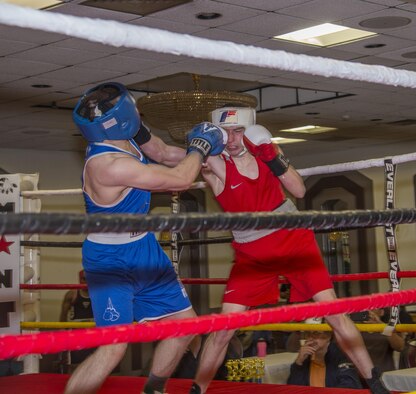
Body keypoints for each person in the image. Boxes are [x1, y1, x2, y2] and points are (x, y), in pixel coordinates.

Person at [191, 106, 388, 394]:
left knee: (333, 312)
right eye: (226, 133)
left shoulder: (265, 150)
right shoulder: (215, 164)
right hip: (252, 253)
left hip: (292, 239)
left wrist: (272, 156)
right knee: (224, 327)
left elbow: (299, 191)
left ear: (250, 132)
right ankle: (197, 390)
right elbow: (176, 161)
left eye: (238, 131)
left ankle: (374, 381)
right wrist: (194, 144)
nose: (232, 139)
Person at [66, 81, 228, 394]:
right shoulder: (107, 165)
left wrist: (205, 158)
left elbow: (166, 153)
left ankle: (153, 389)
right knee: (114, 347)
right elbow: (179, 179)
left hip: (143, 248)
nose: (138, 112)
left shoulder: (126, 134)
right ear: (124, 117)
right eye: (134, 109)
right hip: (110, 259)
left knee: (184, 326)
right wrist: (200, 147)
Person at [287, 323, 362, 389]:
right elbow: (293, 389)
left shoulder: (342, 355)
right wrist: (298, 363)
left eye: (316, 333)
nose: (310, 338)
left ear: (329, 336)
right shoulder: (305, 357)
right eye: (307, 333)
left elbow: (350, 387)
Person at [59, 270, 95, 373]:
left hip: (94, 334)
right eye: (84, 279)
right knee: (76, 364)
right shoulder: (72, 294)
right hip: (77, 334)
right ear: (80, 280)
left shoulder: (98, 294)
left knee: (94, 363)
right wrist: (62, 335)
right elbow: (63, 316)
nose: (87, 281)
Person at [360, 308, 406, 372]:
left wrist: (381, 326)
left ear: (381, 312)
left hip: (384, 372)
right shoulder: (355, 327)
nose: (369, 312)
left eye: (372, 309)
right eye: (366, 309)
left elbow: (400, 347)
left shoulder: (389, 328)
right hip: (361, 373)